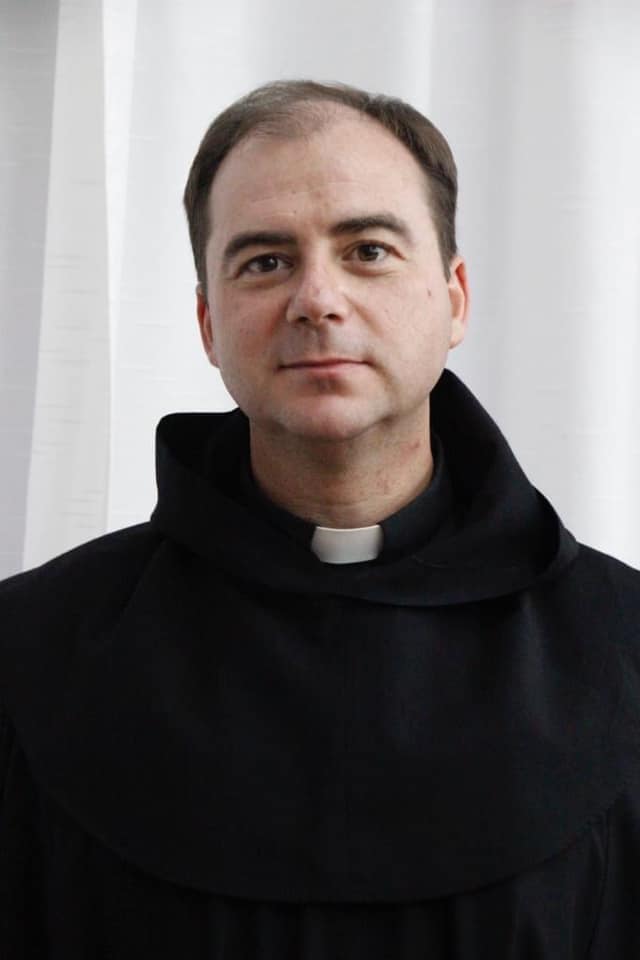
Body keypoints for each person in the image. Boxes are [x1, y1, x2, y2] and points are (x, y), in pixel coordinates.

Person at [1, 79, 639, 958]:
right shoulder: (30, 649)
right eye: (265, 262)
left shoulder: (625, 647)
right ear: (207, 323)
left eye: (368, 250)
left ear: (454, 297)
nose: (317, 299)